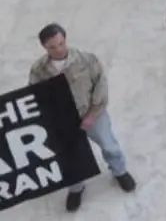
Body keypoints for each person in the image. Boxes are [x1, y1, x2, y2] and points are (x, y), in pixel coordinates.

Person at [30, 24, 137, 211]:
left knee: (108, 144)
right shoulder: (39, 70)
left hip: (91, 114)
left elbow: (100, 85)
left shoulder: (86, 60)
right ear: (44, 47)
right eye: (52, 47)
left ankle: (119, 171)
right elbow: (35, 95)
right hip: (63, 121)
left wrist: (92, 114)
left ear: (65, 39)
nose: (58, 49)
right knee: (70, 155)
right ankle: (76, 187)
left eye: (61, 43)